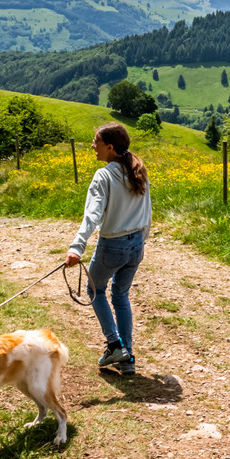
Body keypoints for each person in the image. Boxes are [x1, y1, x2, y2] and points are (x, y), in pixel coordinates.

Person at [65, 122, 151, 376]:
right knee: (121, 295)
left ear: (110, 147)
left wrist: (76, 247)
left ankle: (114, 344)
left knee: (95, 290)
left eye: (96, 142)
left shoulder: (103, 176)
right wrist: (142, 242)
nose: (93, 146)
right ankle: (127, 358)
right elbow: (147, 211)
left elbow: (91, 215)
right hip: (136, 244)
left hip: (113, 245)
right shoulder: (138, 170)